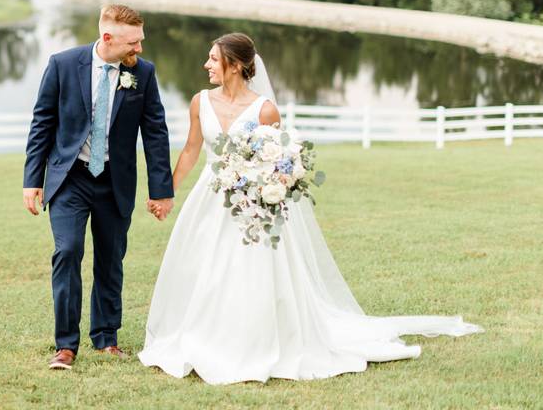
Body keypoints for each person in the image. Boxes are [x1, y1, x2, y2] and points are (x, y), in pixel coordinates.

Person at [138, 32, 482, 384]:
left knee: (248, 271)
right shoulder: (200, 101)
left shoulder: (264, 110)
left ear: (236, 65)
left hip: (251, 205)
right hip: (208, 200)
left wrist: (264, 190)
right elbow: (192, 150)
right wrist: (167, 193)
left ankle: (250, 341)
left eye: (213, 58)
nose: (206, 64)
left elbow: (276, 162)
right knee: (202, 267)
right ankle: (200, 335)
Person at [23, 4, 175, 370]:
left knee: (111, 260)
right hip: (69, 178)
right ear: (107, 38)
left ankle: (106, 338)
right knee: (68, 251)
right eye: (133, 43)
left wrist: (161, 189)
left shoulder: (144, 74)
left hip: (115, 181)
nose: (139, 49)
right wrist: (32, 180)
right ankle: (65, 345)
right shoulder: (62, 64)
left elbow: (155, 133)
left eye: (141, 41)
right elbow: (42, 123)